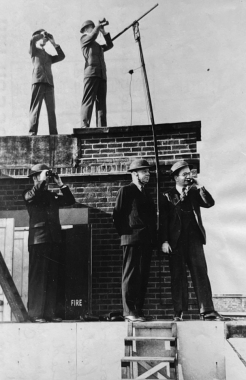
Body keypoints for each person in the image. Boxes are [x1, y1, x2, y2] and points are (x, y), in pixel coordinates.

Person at [160, 160, 223, 321]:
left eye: (190, 173)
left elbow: (210, 203)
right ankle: (178, 312)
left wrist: (199, 185)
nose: (188, 176)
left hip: (194, 241)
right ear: (176, 178)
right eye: (184, 174)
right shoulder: (167, 196)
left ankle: (207, 311)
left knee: (200, 273)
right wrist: (164, 241)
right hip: (176, 243)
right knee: (177, 277)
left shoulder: (195, 192)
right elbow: (163, 222)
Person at [23, 164, 75, 322]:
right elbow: (34, 193)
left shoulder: (51, 196)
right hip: (39, 241)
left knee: (52, 277)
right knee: (39, 278)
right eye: (41, 176)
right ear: (34, 178)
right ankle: (36, 314)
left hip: (54, 239)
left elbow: (69, 201)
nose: (46, 181)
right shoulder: (29, 194)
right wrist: (42, 179)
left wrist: (60, 183)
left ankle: (50, 313)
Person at [113, 159, 156, 322]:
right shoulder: (126, 191)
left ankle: (138, 311)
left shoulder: (146, 193)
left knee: (142, 276)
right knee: (130, 276)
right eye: (144, 171)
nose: (148, 175)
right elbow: (117, 215)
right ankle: (129, 311)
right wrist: (127, 235)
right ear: (134, 173)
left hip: (146, 241)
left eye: (148, 172)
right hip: (131, 239)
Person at [29, 29, 65, 135]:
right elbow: (32, 40)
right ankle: (32, 132)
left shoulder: (48, 54)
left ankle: (53, 133)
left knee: (51, 110)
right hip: (38, 80)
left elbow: (61, 56)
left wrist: (53, 43)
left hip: (49, 82)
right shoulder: (34, 50)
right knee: (35, 108)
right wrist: (41, 35)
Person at [80, 19, 113, 128]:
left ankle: (102, 127)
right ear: (85, 29)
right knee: (88, 101)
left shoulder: (97, 45)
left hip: (101, 75)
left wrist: (103, 32)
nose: (94, 28)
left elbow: (110, 45)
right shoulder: (84, 39)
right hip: (91, 74)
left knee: (101, 104)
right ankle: (84, 126)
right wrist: (98, 26)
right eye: (92, 27)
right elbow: (93, 35)